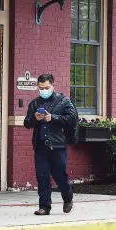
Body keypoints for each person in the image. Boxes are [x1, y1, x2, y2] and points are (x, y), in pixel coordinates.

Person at [23, 73, 78, 215]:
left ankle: (68, 198)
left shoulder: (64, 101)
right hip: (41, 146)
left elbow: (73, 118)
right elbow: (27, 124)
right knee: (42, 176)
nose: (44, 90)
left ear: (53, 86)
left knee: (60, 175)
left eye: (47, 87)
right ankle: (44, 206)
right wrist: (34, 118)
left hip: (58, 145)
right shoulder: (34, 103)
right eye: (41, 88)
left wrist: (52, 117)